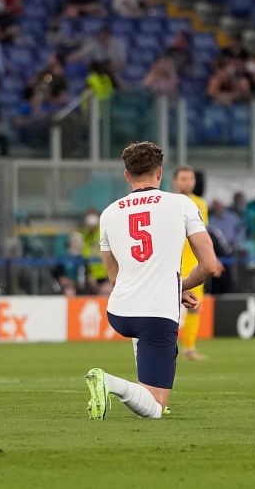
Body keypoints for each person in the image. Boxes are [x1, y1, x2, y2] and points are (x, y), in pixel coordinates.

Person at [85, 141, 218, 420]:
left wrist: (166, 289)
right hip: (156, 313)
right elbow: (208, 265)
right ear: (160, 173)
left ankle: (144, 384)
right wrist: (177, 288)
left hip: (119, 312)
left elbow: (113, 275)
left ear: (126, 175)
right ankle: (109, 382)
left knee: (145, 342)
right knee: (155, 408)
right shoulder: (182, 204)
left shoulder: (109, 213)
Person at [171, 165, 212, 361]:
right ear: (175, 181)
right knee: (171, 308)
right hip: (173, 260)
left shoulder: (200, 204)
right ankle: (169, 347)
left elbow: (203, 236)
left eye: (191, 178)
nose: (188, 182)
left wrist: (211, 258)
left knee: (195, 306)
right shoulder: (168, 203)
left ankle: (189, 348)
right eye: (184, 178)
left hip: (193, 261)